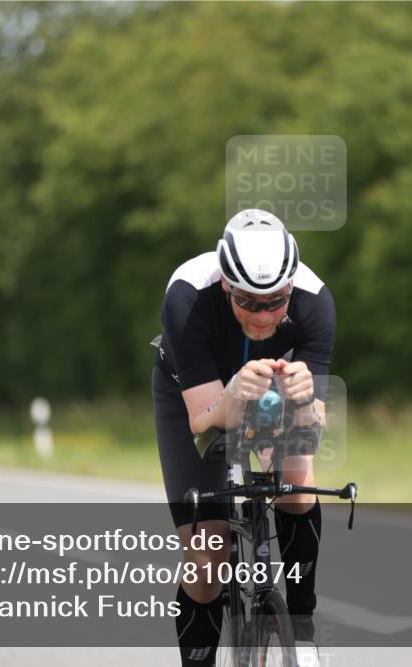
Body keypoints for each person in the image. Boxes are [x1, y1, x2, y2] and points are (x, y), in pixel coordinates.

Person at [153, 209, 335, 666]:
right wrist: (234, 392)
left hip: (272, 387)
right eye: (247, 301)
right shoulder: (187, 298)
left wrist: (304, 401)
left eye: (276, 301)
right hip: (195, 395)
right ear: (225, 287)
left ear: (292, 286)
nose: (263, 314)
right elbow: (203, 420)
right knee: (208, 558)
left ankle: (304, 628)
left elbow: (314, 424)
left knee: (296, 475)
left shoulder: (316, 302)